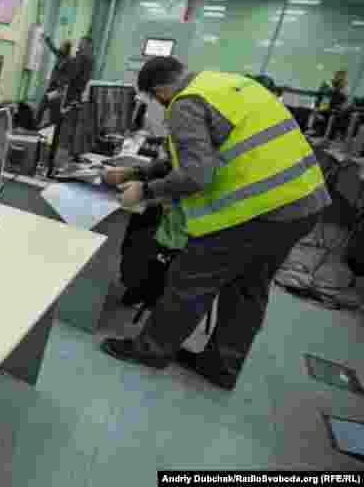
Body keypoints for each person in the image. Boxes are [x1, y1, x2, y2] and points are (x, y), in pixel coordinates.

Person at [99, 56, 330, 390]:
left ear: (161, 90)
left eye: (156, 100)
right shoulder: (224, 84)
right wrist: (137, 171)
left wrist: (145, 190)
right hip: (303, 201)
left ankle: (150, 350)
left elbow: (196, 174)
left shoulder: (184, 104)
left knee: (191, 277)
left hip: (258, 209)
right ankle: (221, 366)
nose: (161, 108)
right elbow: (207, 155)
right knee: (248, 288)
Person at [32, 36, 73, 128]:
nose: (60, 47)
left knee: (50, 109)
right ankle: (37, 124)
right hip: (52, 86)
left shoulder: (69, 60)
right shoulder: (60, 55)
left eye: (62, 45)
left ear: (67, 48)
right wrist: (47, 40)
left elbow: (68, 76)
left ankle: (49, 127)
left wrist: (60, 85)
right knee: (43, 106)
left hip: (57, 88)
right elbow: (53, 48)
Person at [310, 70, 348, 137]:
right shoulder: (327, 90)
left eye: (342, 79)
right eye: (339, 77)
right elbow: (321, 105)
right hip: (324, 115)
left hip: (330, 116)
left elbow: (341, 105)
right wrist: (318, 111)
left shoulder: (341, 94)